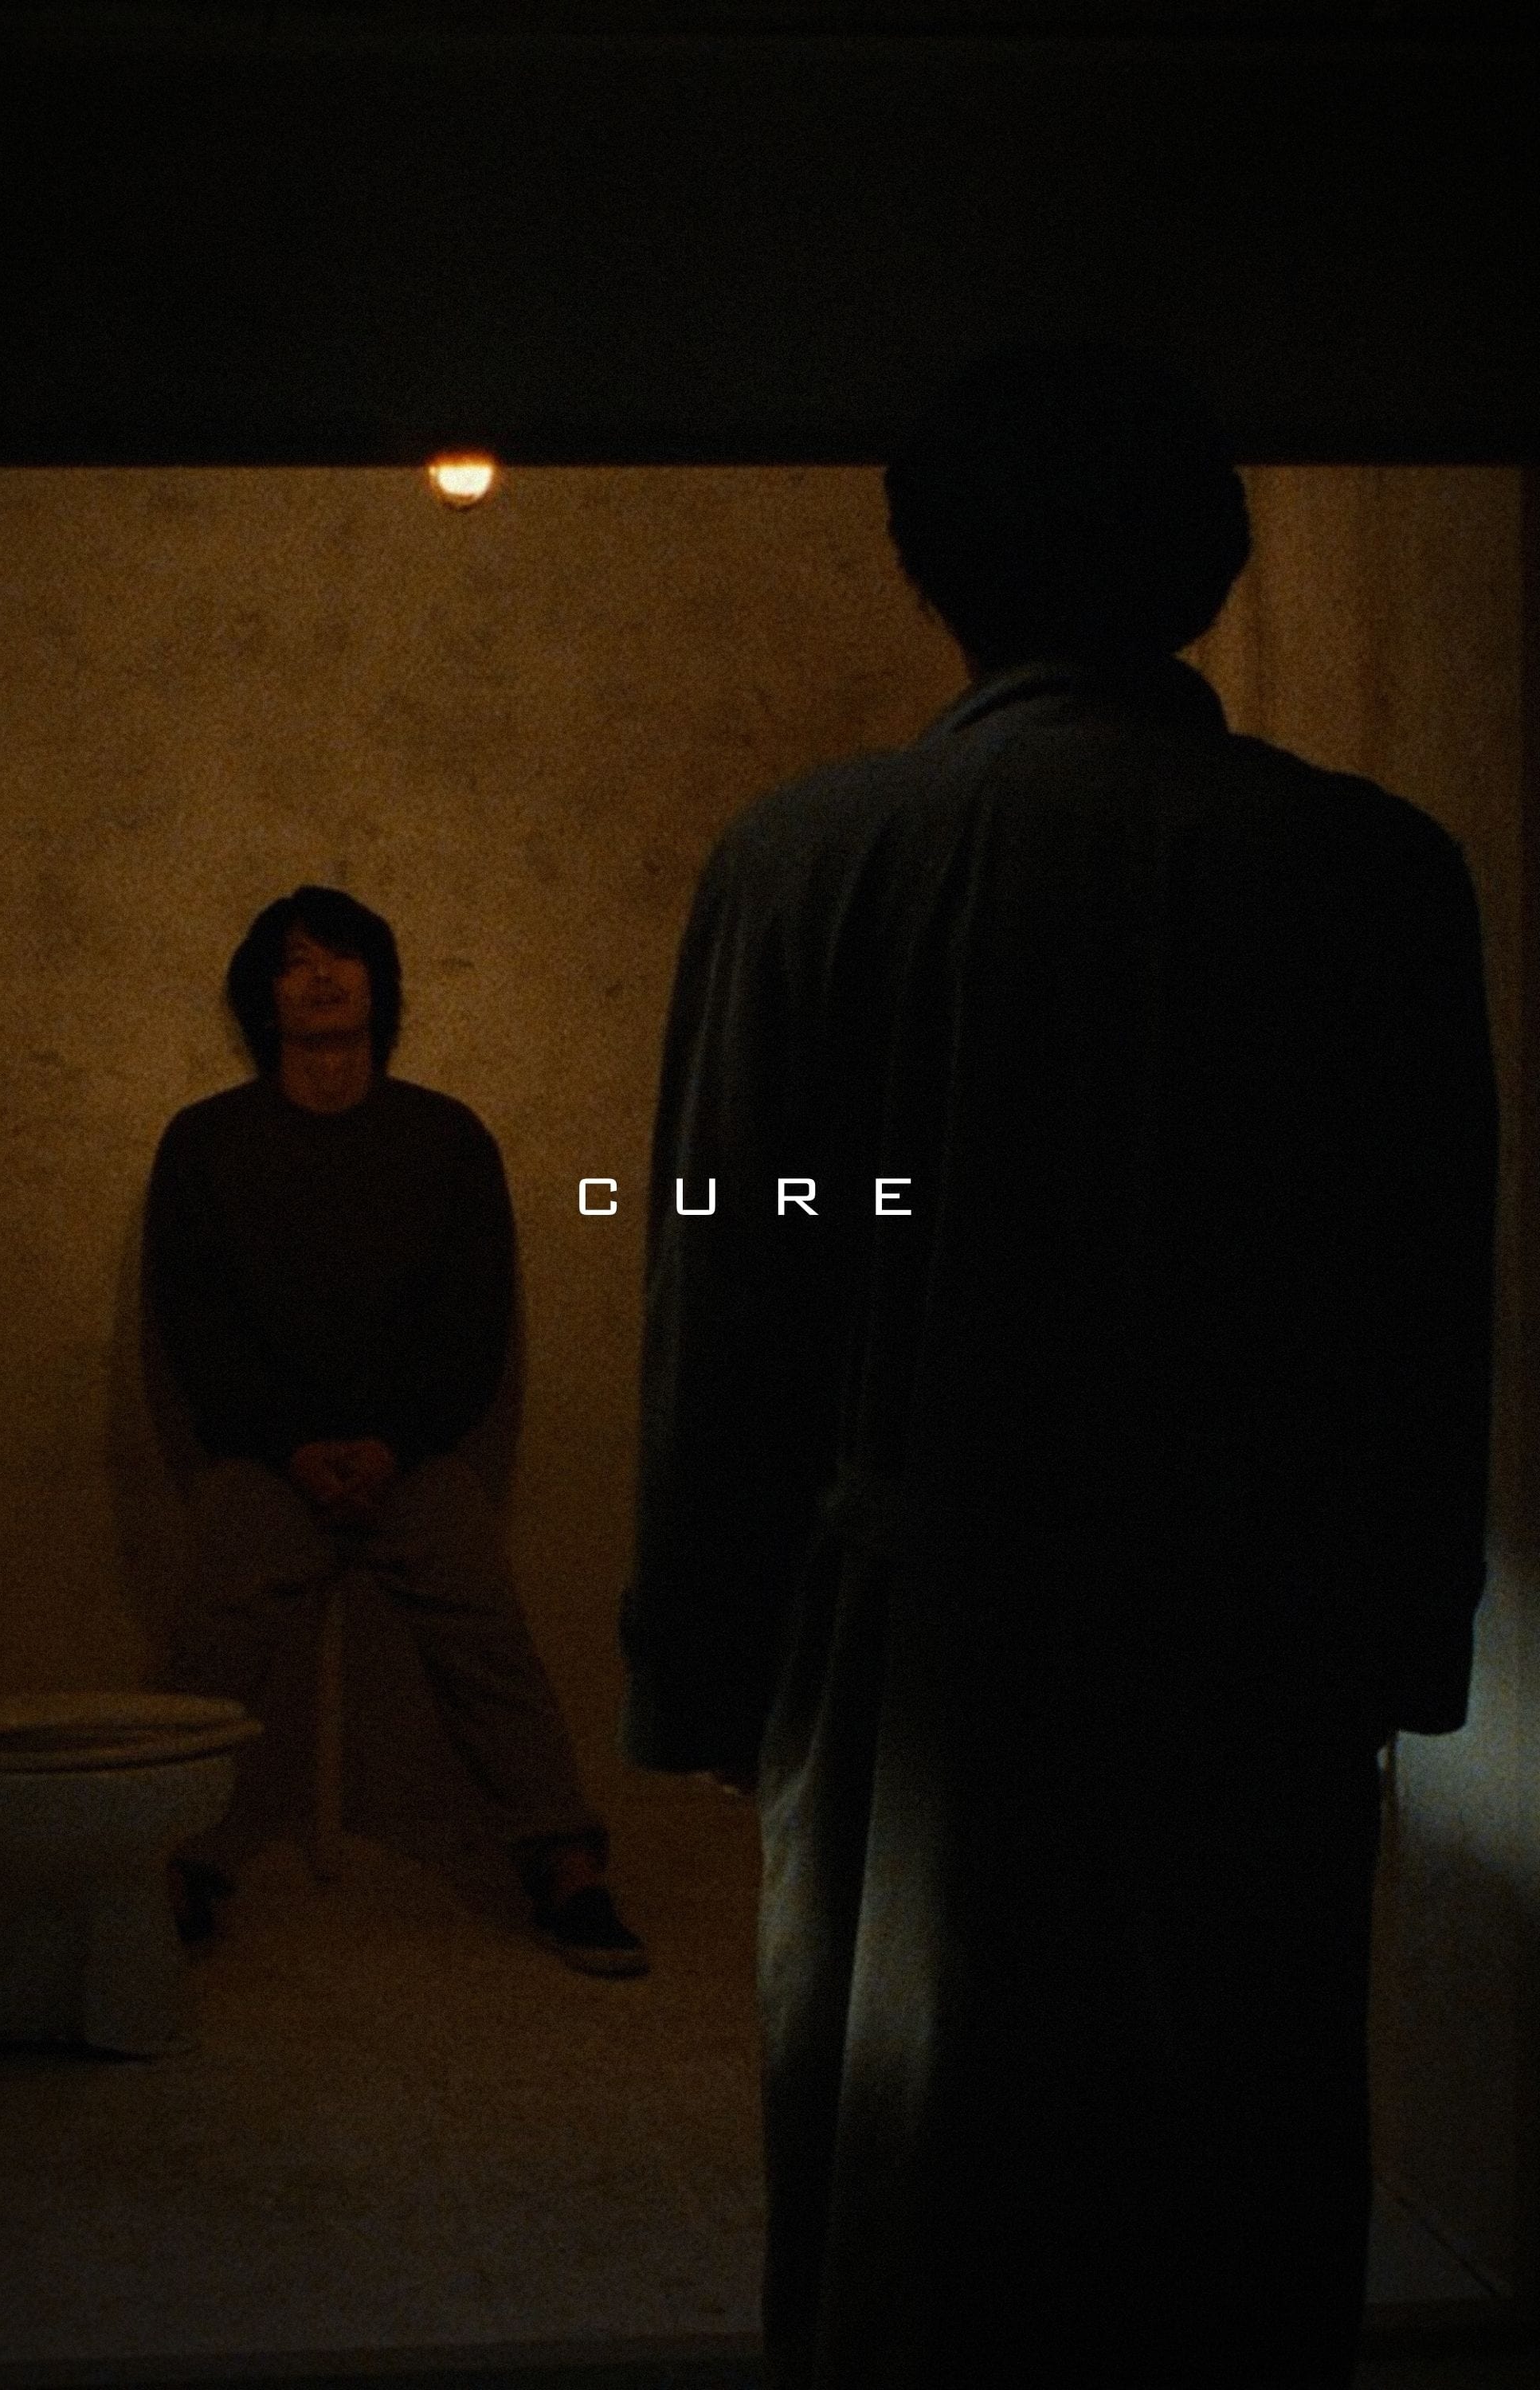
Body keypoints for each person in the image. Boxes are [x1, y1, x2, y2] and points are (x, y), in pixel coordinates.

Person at [619, 347, 1497, 2384]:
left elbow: (731, 1289)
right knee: (1220, 2193)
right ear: (1207, 558)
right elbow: (1419, 1301)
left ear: (935, 569)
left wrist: (705, 1660)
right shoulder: (1368, 871)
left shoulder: (803, 861)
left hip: (910, 1654)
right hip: (1243, 1645)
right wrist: (1398, 1641)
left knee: (917, 2209)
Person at [146, 884, 646, 1977]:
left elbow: (475, 1322)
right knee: (213, 1636)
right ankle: (172, 1867)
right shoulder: (206, 1142)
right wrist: (291, 1447)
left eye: (341, 955)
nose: (321, 976)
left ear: (381, 982)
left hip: (408, 1459)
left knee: (487, 1633)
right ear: (264, 997)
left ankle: (564, 1863)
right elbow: (191, 1326)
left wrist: (392, 1447)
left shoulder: (445, 1138)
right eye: (294, 961)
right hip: (267, 1460)